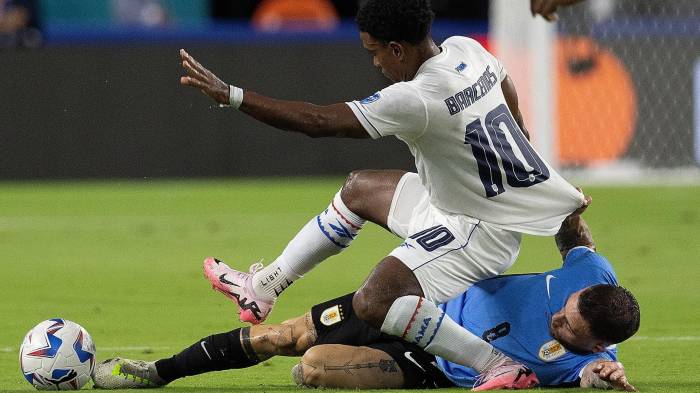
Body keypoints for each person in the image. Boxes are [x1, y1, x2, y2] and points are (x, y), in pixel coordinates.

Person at [180, 0, 586, 389]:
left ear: (397, 48)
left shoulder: (416, 97)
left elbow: (319, 121)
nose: (375, 63)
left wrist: (231, 95)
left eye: (375, 53)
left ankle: (497, 365)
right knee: (359, 189)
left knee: (376, 300)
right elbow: (508, 90)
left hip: (477, 233)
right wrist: (522, 153)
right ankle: (263, 287)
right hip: (453, 205)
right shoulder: (467, 49)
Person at [92, 213, 639, 391]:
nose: (556, 317)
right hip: (417, 300)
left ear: (593, 341)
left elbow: (594, 375)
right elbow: (574, 238)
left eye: (565, 327)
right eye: (564, 308)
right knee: (281, 336)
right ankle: (156, 373)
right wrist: (563, 205)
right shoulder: (591, 278)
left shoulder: (582, 361)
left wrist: (601, 376)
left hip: (426, 361)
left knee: (310, 367)